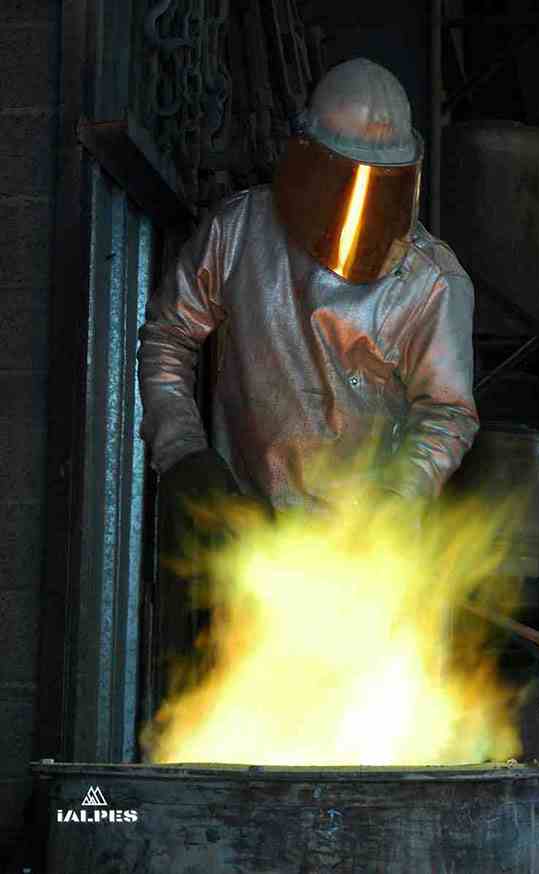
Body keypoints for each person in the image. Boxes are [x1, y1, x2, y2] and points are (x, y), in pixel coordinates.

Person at [137, 58, 479, 696]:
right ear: (307, 156)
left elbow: (448, 413)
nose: (359, 206)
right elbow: (168, 336)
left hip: (368, 574)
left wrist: (395, 502)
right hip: (244, 554)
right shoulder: (238, 233)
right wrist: (182, 451)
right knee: (236, 733)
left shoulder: (428, 282)